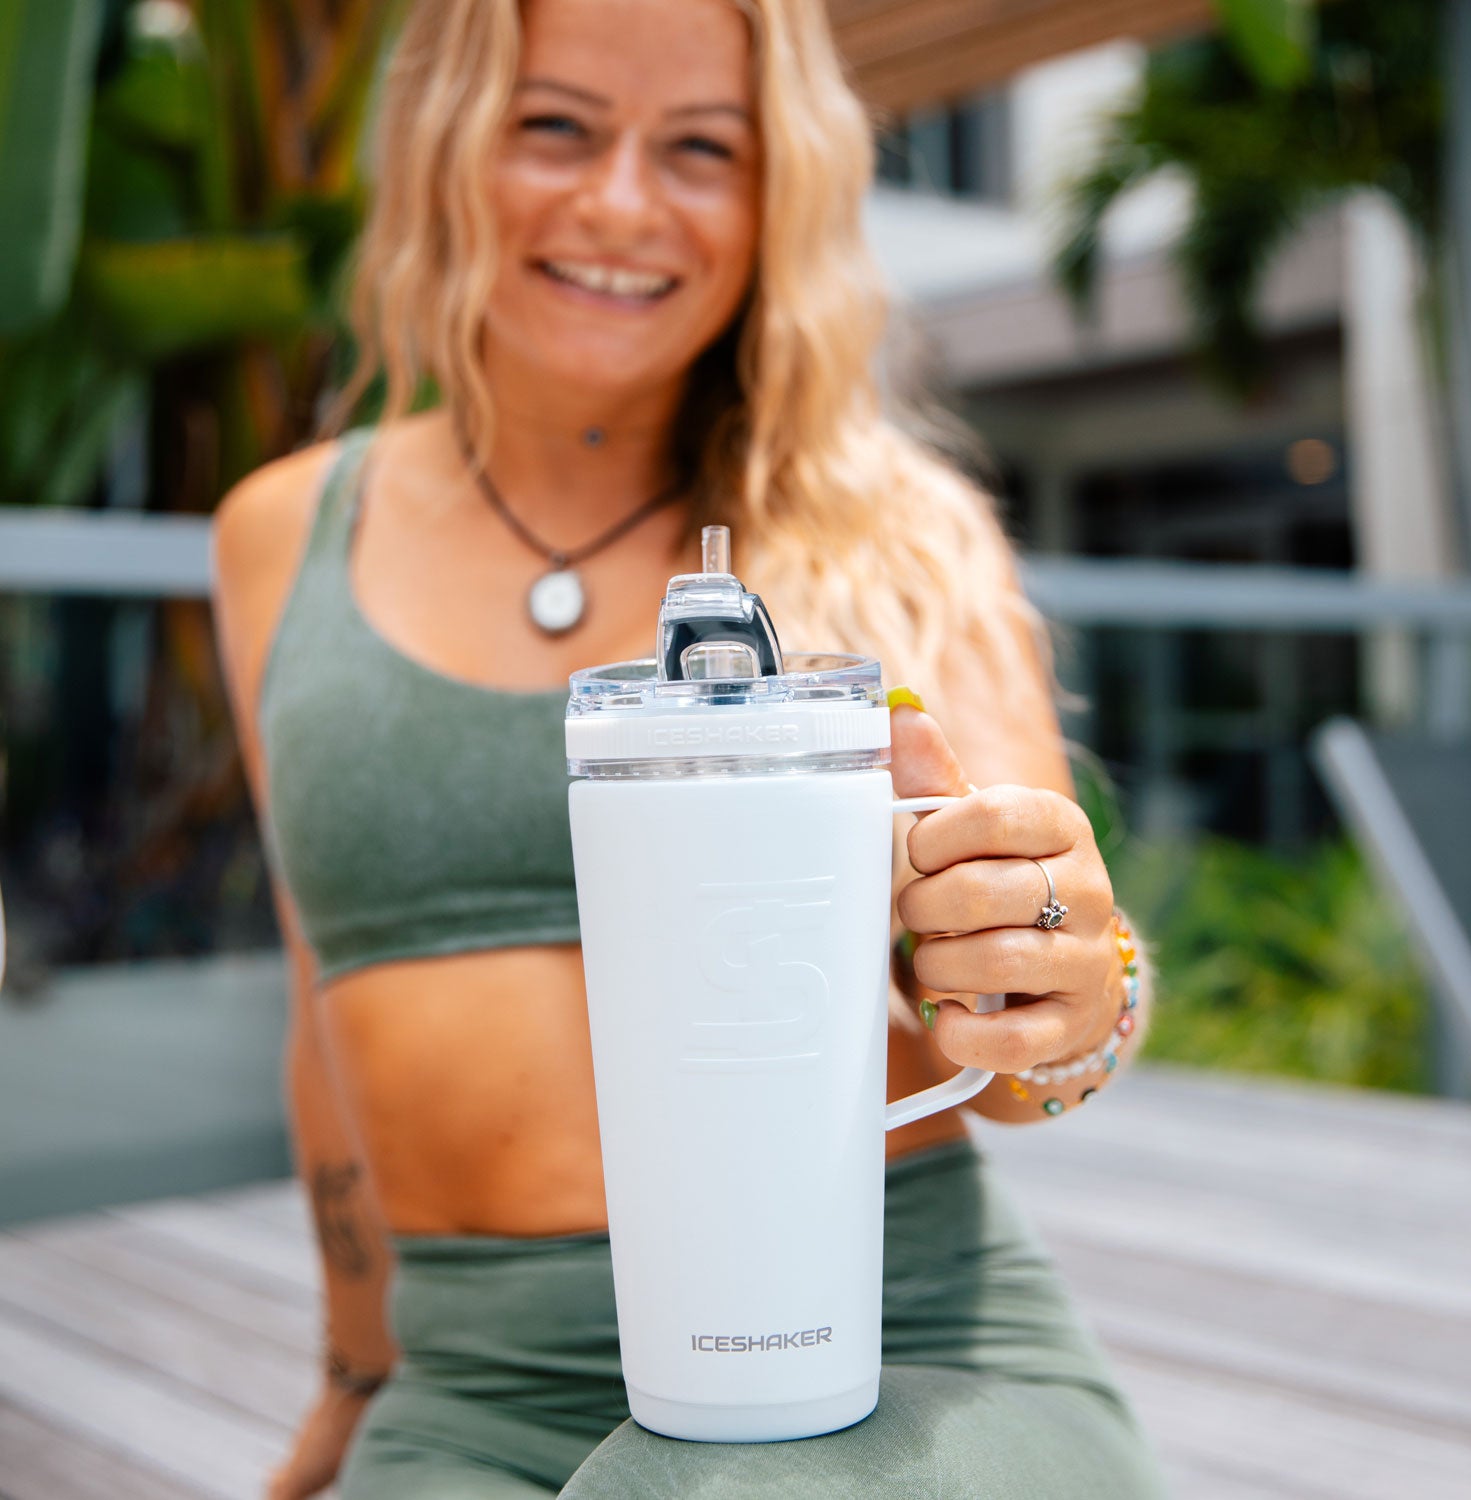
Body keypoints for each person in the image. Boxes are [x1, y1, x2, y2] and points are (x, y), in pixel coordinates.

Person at [211, 0, 1165, 1495]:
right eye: (559, 126)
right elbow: (326, 1018)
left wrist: (1071, 1003)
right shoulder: (280, 540)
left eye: (702, 148)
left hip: (892, 1347)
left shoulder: (899, 538)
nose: (620, 203)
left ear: (777, 193)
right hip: (476, 1390)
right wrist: (352, 1389)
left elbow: (1025, 1052)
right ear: (450, 140)